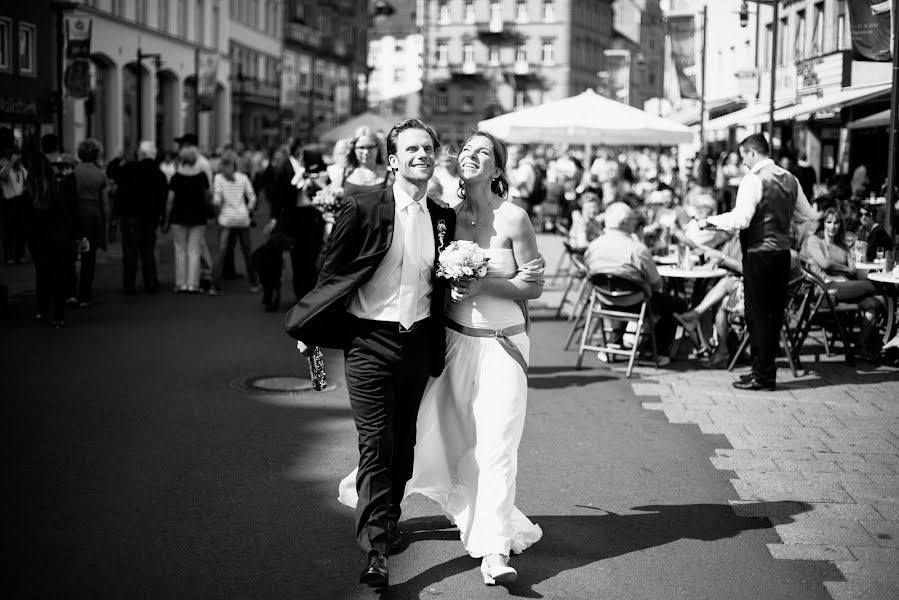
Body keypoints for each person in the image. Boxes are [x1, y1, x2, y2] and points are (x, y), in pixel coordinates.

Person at [339, 130, 545, 586]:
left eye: (483, 154)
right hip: (451, 343)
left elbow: (533, 283)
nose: (470, 158)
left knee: (497, 446)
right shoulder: (446, 219)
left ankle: (493, 551)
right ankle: (390, 513)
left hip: (502, 344)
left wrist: (482, 284)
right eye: (466, 151)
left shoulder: (514, 218)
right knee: (435, 438)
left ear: (498, 168)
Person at [284, 119, 456, 589]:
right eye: (411, 150)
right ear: (394, 160)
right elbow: (333, 272)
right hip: (368, 344)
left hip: (418, 342)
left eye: (428, 148)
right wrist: (312, 324)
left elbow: (439, 285)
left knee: (403, 445)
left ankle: (391, 518)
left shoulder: (442, 218)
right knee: (376, 445)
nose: (421, 155)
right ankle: (376, 550)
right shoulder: (362, 208)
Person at [705, 133, 817, 391]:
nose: (743, 163)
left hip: (758, 253)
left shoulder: (753, 179)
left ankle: (762, 376)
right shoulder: (790, 178)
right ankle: (762, 371)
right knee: (772, 315)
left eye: (743, 156)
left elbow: (742, 219)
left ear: (752, 153)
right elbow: (806, 215)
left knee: (757, 315)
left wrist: (710, 222)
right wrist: (780, 220)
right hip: (781, 254)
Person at [585, 202, 687, 361]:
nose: (635, 223)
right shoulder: (637, 249)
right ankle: (656, 352)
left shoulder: (594, 246)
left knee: (627, 289)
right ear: (625, 222)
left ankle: (614, 343)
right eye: (633, 219)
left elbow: (590, 272)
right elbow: (657, 284)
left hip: (604, 299)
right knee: (678, 304)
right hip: (635, 302)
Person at [803, 208, 884, 359]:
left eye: (836, 223)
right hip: (825, 290)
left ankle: (862, 343)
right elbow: (825, 264)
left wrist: (846, 270)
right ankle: (884, 341)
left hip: (845, 288)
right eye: (829, 222)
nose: (833, 226)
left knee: (874, 303)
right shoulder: (815, 241)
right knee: (876, 287)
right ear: (823, 224)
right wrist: (843, 271)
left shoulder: (842, 245)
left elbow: (854, 269)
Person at [27, 152, 79, 328]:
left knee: (42, 275)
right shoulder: (57, 194)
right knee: (59, 277)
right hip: (59, 240)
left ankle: (42, 310)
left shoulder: (31, 197)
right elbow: (67, 220)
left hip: (39, 241)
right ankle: (58, 315)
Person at [116, 140, 168, 294]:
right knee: (148, 250)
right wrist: (163, 216)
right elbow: (163, 197)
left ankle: (129, 284)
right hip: (150, 217)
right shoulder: (159, 173)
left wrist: (118, 213)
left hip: (131, 215)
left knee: (130, 251)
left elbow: (120, 190)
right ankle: (150, 282)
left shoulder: (129, 169)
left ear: (142, 154)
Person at [209, 150, 260, 295]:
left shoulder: (218, 178)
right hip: (242, 218)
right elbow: (252, 197)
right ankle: (254, 283)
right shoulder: (243, 177)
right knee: (247, 251)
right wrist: (248, 210)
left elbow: (217, 200)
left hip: (226, 218)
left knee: (221, 252)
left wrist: (218, 213)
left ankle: (214, 284)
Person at [164, 147, 211, 293]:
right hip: (198, 217)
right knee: (194, 250)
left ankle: (180, 283)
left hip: (178, 217)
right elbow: (207, 196)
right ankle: (192, 284)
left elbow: (170, 200)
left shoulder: (176, 178)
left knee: (180, 250)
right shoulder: (202, 177)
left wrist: (166, 219)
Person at [72, 138, 110, 307]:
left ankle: (69, 291)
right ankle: (84, 294)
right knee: (89, 257)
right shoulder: (100, 174)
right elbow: (105, 203)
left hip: (75, 215)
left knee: (71, 254)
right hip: (93, 216)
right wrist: (107, 220)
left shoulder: (73, 172)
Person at [1, 145, 29, 263]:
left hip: (21, 201)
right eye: (17, 156)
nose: (19, 158)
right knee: (9, 231)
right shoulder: (5, 168)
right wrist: (11, 163)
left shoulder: (22, 169)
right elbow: (3, 177)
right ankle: (8, 256)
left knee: (21, 230)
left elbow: (27, 182)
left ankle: (19, 254)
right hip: (9, 201)